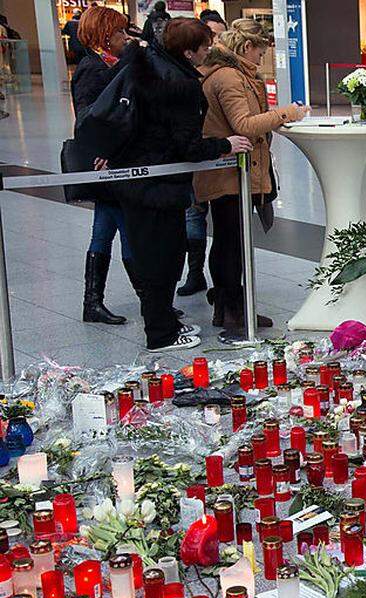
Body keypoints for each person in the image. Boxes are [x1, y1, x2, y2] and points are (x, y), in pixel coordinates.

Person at [104, 18, 251, 352]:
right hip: (158, 184)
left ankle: (165, 323)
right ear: (187, 52)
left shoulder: (150, 66)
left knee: (155, 256)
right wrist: (225, 145)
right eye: (204, 46)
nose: (210, 50)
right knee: (162, 259)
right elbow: (187, 145)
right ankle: (161, 334)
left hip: (140, 178)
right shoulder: (179, 86)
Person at [195, 18, 308, 331]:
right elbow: (244, 124)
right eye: (261, 52)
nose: (262, 59)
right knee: (231, 241)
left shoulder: (231, 73)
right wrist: (286, 113)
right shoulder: (230, 77)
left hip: (234, 172)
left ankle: (229, 305)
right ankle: (232, 308)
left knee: (230, 239)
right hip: (229, 173)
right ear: (247, 47)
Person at [71, 6, 139, 325]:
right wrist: (105, 149)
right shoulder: (92, 68)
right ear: (103, 35)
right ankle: (148, 297)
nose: (124, 38)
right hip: (106, 161)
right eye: (118, 33)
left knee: (104, 229)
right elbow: (87, 116)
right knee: (124, 228)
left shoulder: (111, 64)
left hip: (112, 159)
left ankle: (93, 301)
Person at [177, 8, 227, 298]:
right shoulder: (186, 78)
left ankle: (220, 286)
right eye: (208, 41)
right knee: (193, 216)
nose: (212, 47)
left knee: (220, 222)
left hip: (216, 155)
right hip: (198, 152)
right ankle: (195, 273)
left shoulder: (220, 74)